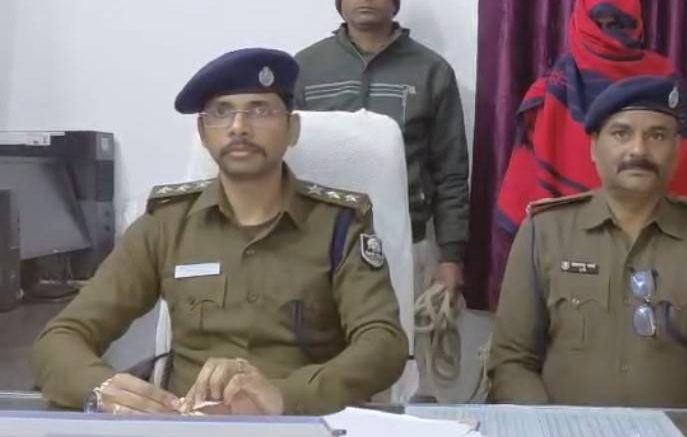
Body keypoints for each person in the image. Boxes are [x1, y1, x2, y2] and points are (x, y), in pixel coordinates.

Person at [32, 48, 408, 416]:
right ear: (203, 132)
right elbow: (61, 338)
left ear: (292, 129)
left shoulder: (339, 225)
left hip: (300, 423)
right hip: (189, 425)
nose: (239, 127)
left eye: (260, 110)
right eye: (221, 112)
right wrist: (100, 388)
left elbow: (383, 343)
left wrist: (285, 397)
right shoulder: (166, 225)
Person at [489, 76, 687, 436]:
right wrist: (550, 431)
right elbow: (511, 362)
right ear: (593, 146)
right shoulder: (545, 231)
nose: (639, 149)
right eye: (621, 133)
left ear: (677, 148)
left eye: (657, 135)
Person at [485, 0, 687, 306]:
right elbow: (528, 195)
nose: (610, 34)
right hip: (567, 255)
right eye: (601, 23)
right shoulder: (554, 88)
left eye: (620, 23)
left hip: (657, 250)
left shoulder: (665, 81)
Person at [294, 0, 470, 300]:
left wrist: (451, 256)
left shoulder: (431, 71)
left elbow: (451, 172)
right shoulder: (305, 69)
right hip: (321, 244)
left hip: (407, 241)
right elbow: (285, 159)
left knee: (406, 337)